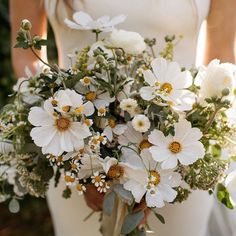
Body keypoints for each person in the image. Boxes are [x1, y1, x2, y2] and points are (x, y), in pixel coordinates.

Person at [10, 0, 236, 235]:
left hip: (179, 161)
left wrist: (166, 168)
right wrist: (80, 160)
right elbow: (26, 58)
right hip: (73, 156)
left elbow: (220, 61)